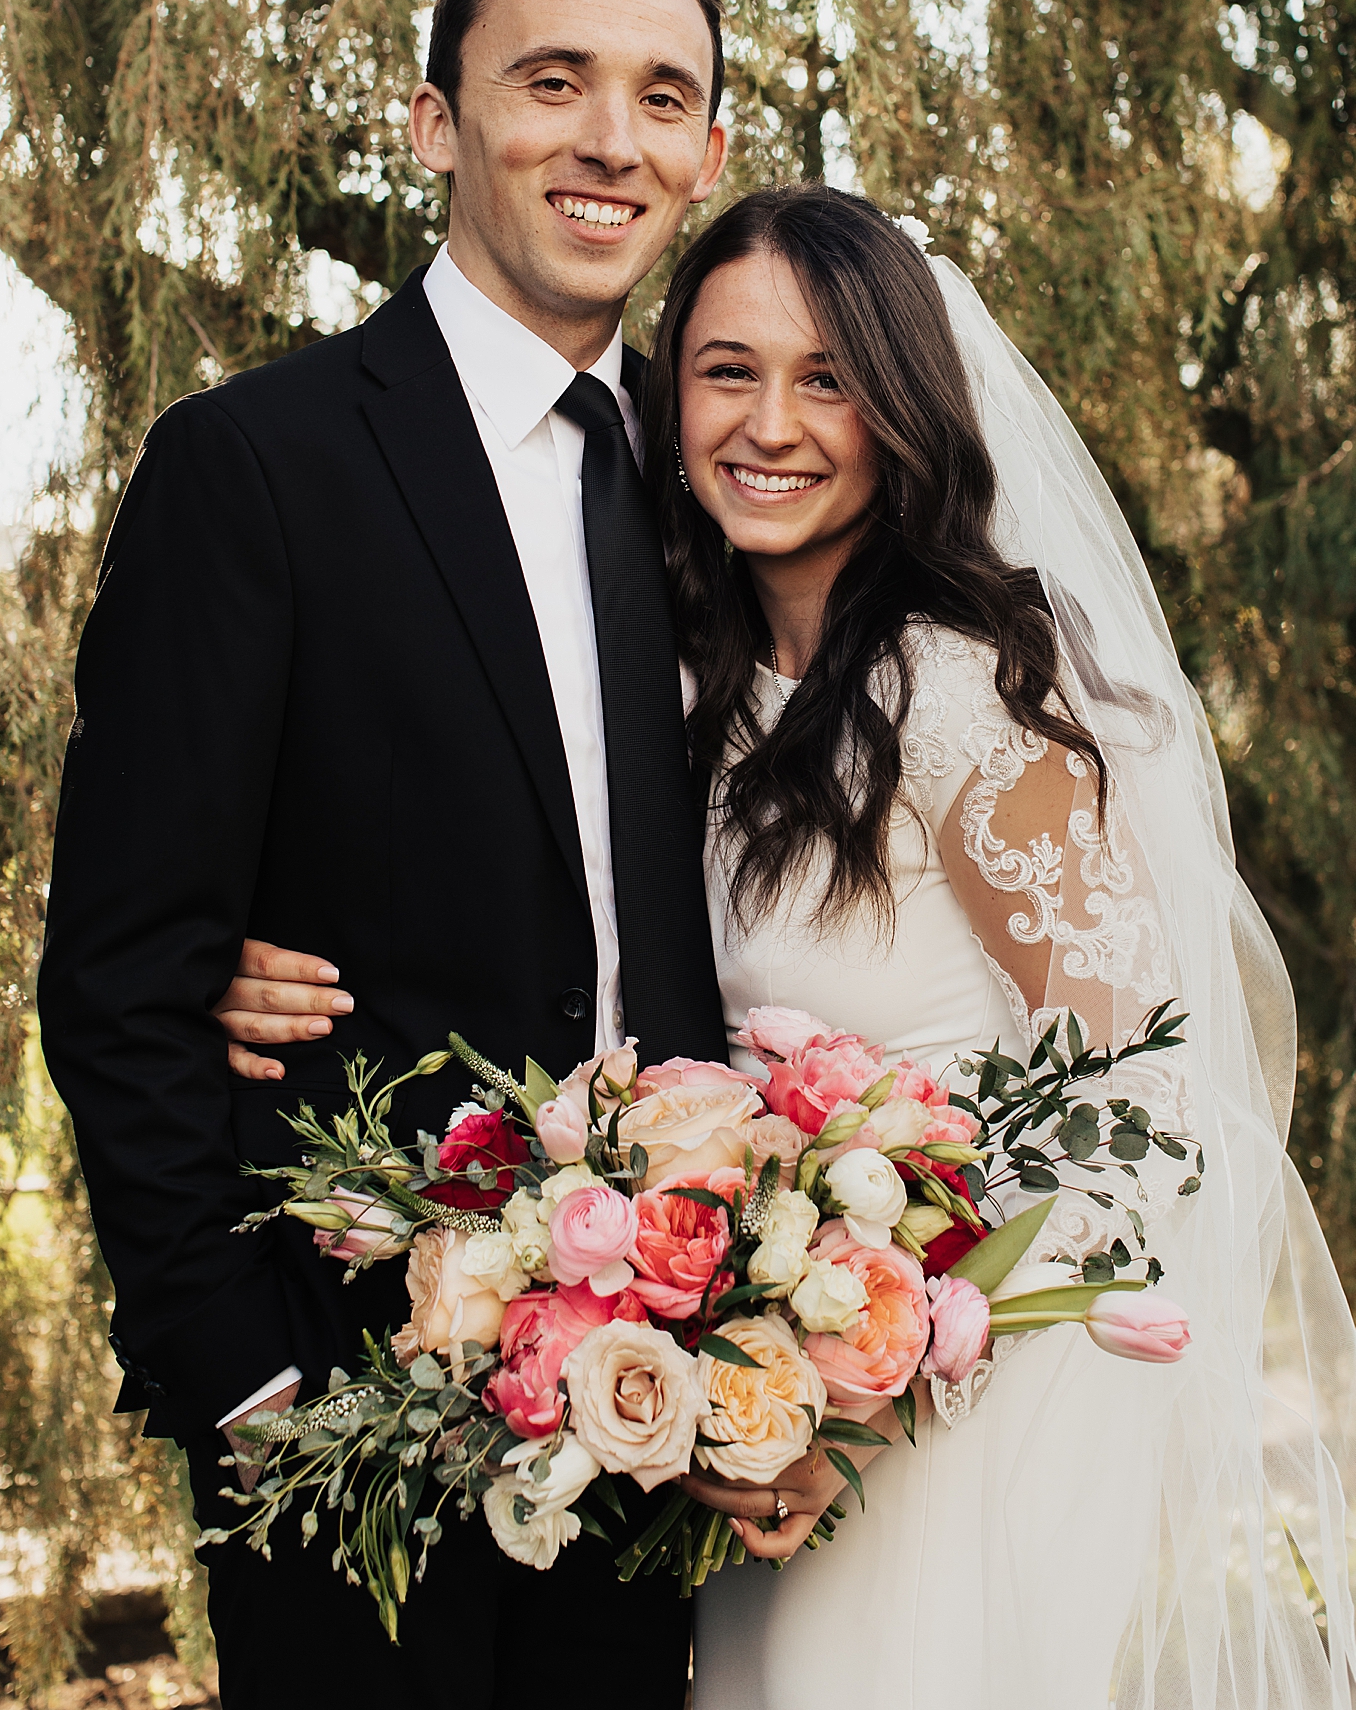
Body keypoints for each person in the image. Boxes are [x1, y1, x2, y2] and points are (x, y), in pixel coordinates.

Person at [229, 186, 1356, 1707]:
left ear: (902, 405)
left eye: (827, 377)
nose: (772, 422)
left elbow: (1134, 1120)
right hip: (749, 1415)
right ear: (666, 395)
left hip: (960, 1421)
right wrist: (257, 959)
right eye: (726, 369)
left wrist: (872, 1393)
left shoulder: (971, 705)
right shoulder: (681, 682)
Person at [36, 0, 732, 1710]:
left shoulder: (728, 490)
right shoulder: (252, 469)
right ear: (438, 123)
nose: (610, 139)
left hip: (689, 1403)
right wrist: (247, 1390)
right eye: (553, 81)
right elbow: (121, 973)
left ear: (709, 147)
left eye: (663, 97)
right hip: (352, 1424)